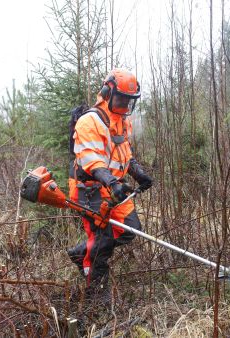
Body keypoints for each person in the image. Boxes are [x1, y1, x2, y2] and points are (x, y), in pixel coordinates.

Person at [66, 68, 153, 301]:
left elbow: (124, 154)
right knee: (102, 243)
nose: (125, 105)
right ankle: (96, 297)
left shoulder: (123, 122)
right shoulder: (90, 121)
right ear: (107, 92)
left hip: (113, 187)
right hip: (90, 189)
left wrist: (139, 173)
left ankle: (80, 252)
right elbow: (90, 159)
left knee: (129, 230)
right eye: (121, 99)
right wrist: (111, 182)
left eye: (129, 101)